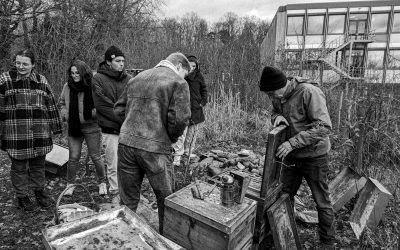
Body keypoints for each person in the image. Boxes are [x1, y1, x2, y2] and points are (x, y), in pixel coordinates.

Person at [114, 52, 191, 234]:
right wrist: (170, 139)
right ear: (179, 66)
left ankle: (124, 239)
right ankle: (165, 241)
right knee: (166, 200)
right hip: (156, 148)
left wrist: (129, 129)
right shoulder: (178, 82)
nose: (184, 77)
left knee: (128, 201)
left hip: (126, 145)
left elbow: (118, 110)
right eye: (185, 73)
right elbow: (180, 119)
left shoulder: (136, 78)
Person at [259, 66, 335, 249]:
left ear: (281, 85)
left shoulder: (309, 92)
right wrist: (276, 117)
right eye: (268, 95)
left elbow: (324, 127)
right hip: (293, 156)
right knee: (284, 196)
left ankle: (327, 241)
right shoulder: (279, 95)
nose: (271, 98)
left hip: (315, 156)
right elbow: (275, 112)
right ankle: (282, 233)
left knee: (322, 201)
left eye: (271, 93)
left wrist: (292, 143)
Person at [0, 49, 62, 211]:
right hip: (16, 134)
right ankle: (22, 197)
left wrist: (56, 127)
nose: (21, 66)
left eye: (25, 64)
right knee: (19, 168)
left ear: (33, 65)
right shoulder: (5, 79)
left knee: (38, 166)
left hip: (40, 133)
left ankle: (39, 192)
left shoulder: (42, 81)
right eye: (18, 63)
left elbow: (51, 105)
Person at [59, 59, 107, 196]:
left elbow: (102, 104)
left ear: (83, 72)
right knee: (73, 157)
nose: (74, 76)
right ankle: (70, 184)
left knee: (95, 156)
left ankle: (102, 182)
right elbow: (61, 102)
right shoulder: (67, 86)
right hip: (74, 126)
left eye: (77, 73)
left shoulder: (93, 86)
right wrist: (66, 115)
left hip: (92, 126)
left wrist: (92, 114)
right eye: (72, 73)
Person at [92, 46, 131, 201]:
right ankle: (114, 191)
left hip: (127, 129)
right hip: (109, 128)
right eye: (117, 61)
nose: (121, 64)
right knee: (112, 162)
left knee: (128, 162)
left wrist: (128, 119)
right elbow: (102, 104)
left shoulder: (129, 79)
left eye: (123, 61)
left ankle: (128, 191)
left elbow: (133, 102)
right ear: (108, 62)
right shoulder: (98, 79)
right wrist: (124, 117)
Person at [172, 55, 207, 166]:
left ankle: (188, 152)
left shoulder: (199, 76)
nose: (192, 68)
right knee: (181, 134)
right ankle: (177, 156)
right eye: (190, 65)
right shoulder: (181, 75)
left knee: (192, 134)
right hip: (183, 109)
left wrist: (202, 102)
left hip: (196, 109)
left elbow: (204, 90)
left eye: (194, 66)